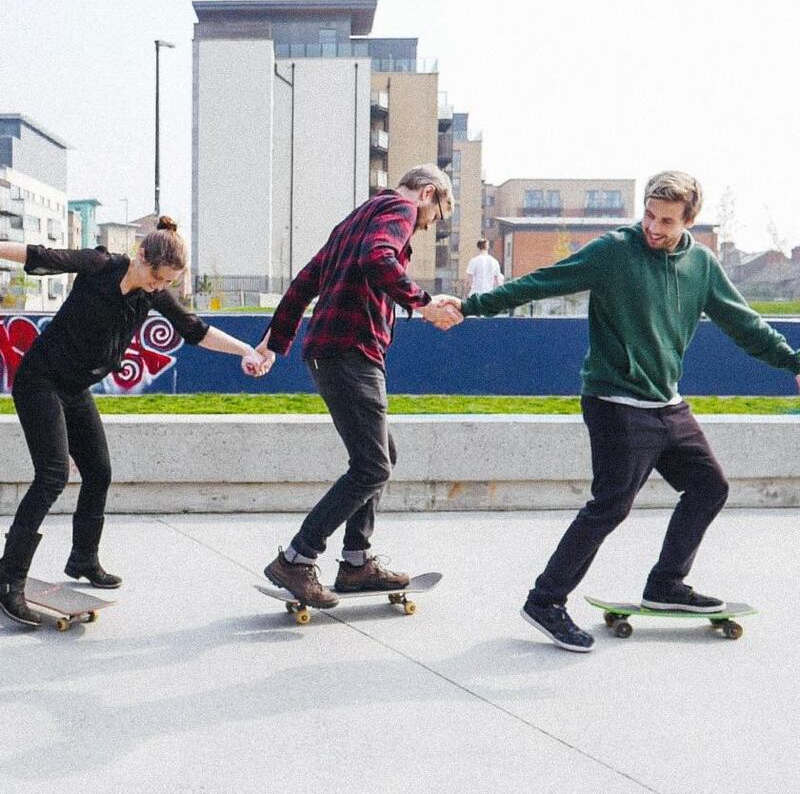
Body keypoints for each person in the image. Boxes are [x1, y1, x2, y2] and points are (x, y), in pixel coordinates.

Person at [437, 171, 800, 652]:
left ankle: (666, 584)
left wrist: (793, 363)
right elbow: (542, 283)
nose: (653, 226)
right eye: (649, 214)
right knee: (611, 505)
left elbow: (745, 324)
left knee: (710, 486)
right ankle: (545, 601)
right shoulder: (614, 251)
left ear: (688, 219)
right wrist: (470, 306)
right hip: (614, 400)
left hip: (667, 404)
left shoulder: (702, 265)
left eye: (666, 220)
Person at [0, 217, 268, 627]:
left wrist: (246, 349)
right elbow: (39, 255)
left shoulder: (152, 294)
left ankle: (83, 558)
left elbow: (195, 330)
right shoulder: (97, 265)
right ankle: (8, 580)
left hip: (74, 388)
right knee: (52, 475)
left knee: (99, 471)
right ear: (142, 256)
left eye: (166, 284)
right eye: (157, 278)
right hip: (41, 381)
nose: (158, 287)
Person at [255, 164, 461, 608]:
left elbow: (304, 282)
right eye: (437, 216)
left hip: (330, 350)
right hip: (352, 350)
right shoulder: (401, 209)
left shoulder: (356, 218)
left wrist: (277, 341)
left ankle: (356, 563)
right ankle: (297, 557)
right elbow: (379, 259)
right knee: (372, 466)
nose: (428, 227)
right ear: (428, 194)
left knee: (381, 456)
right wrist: (423, 304)